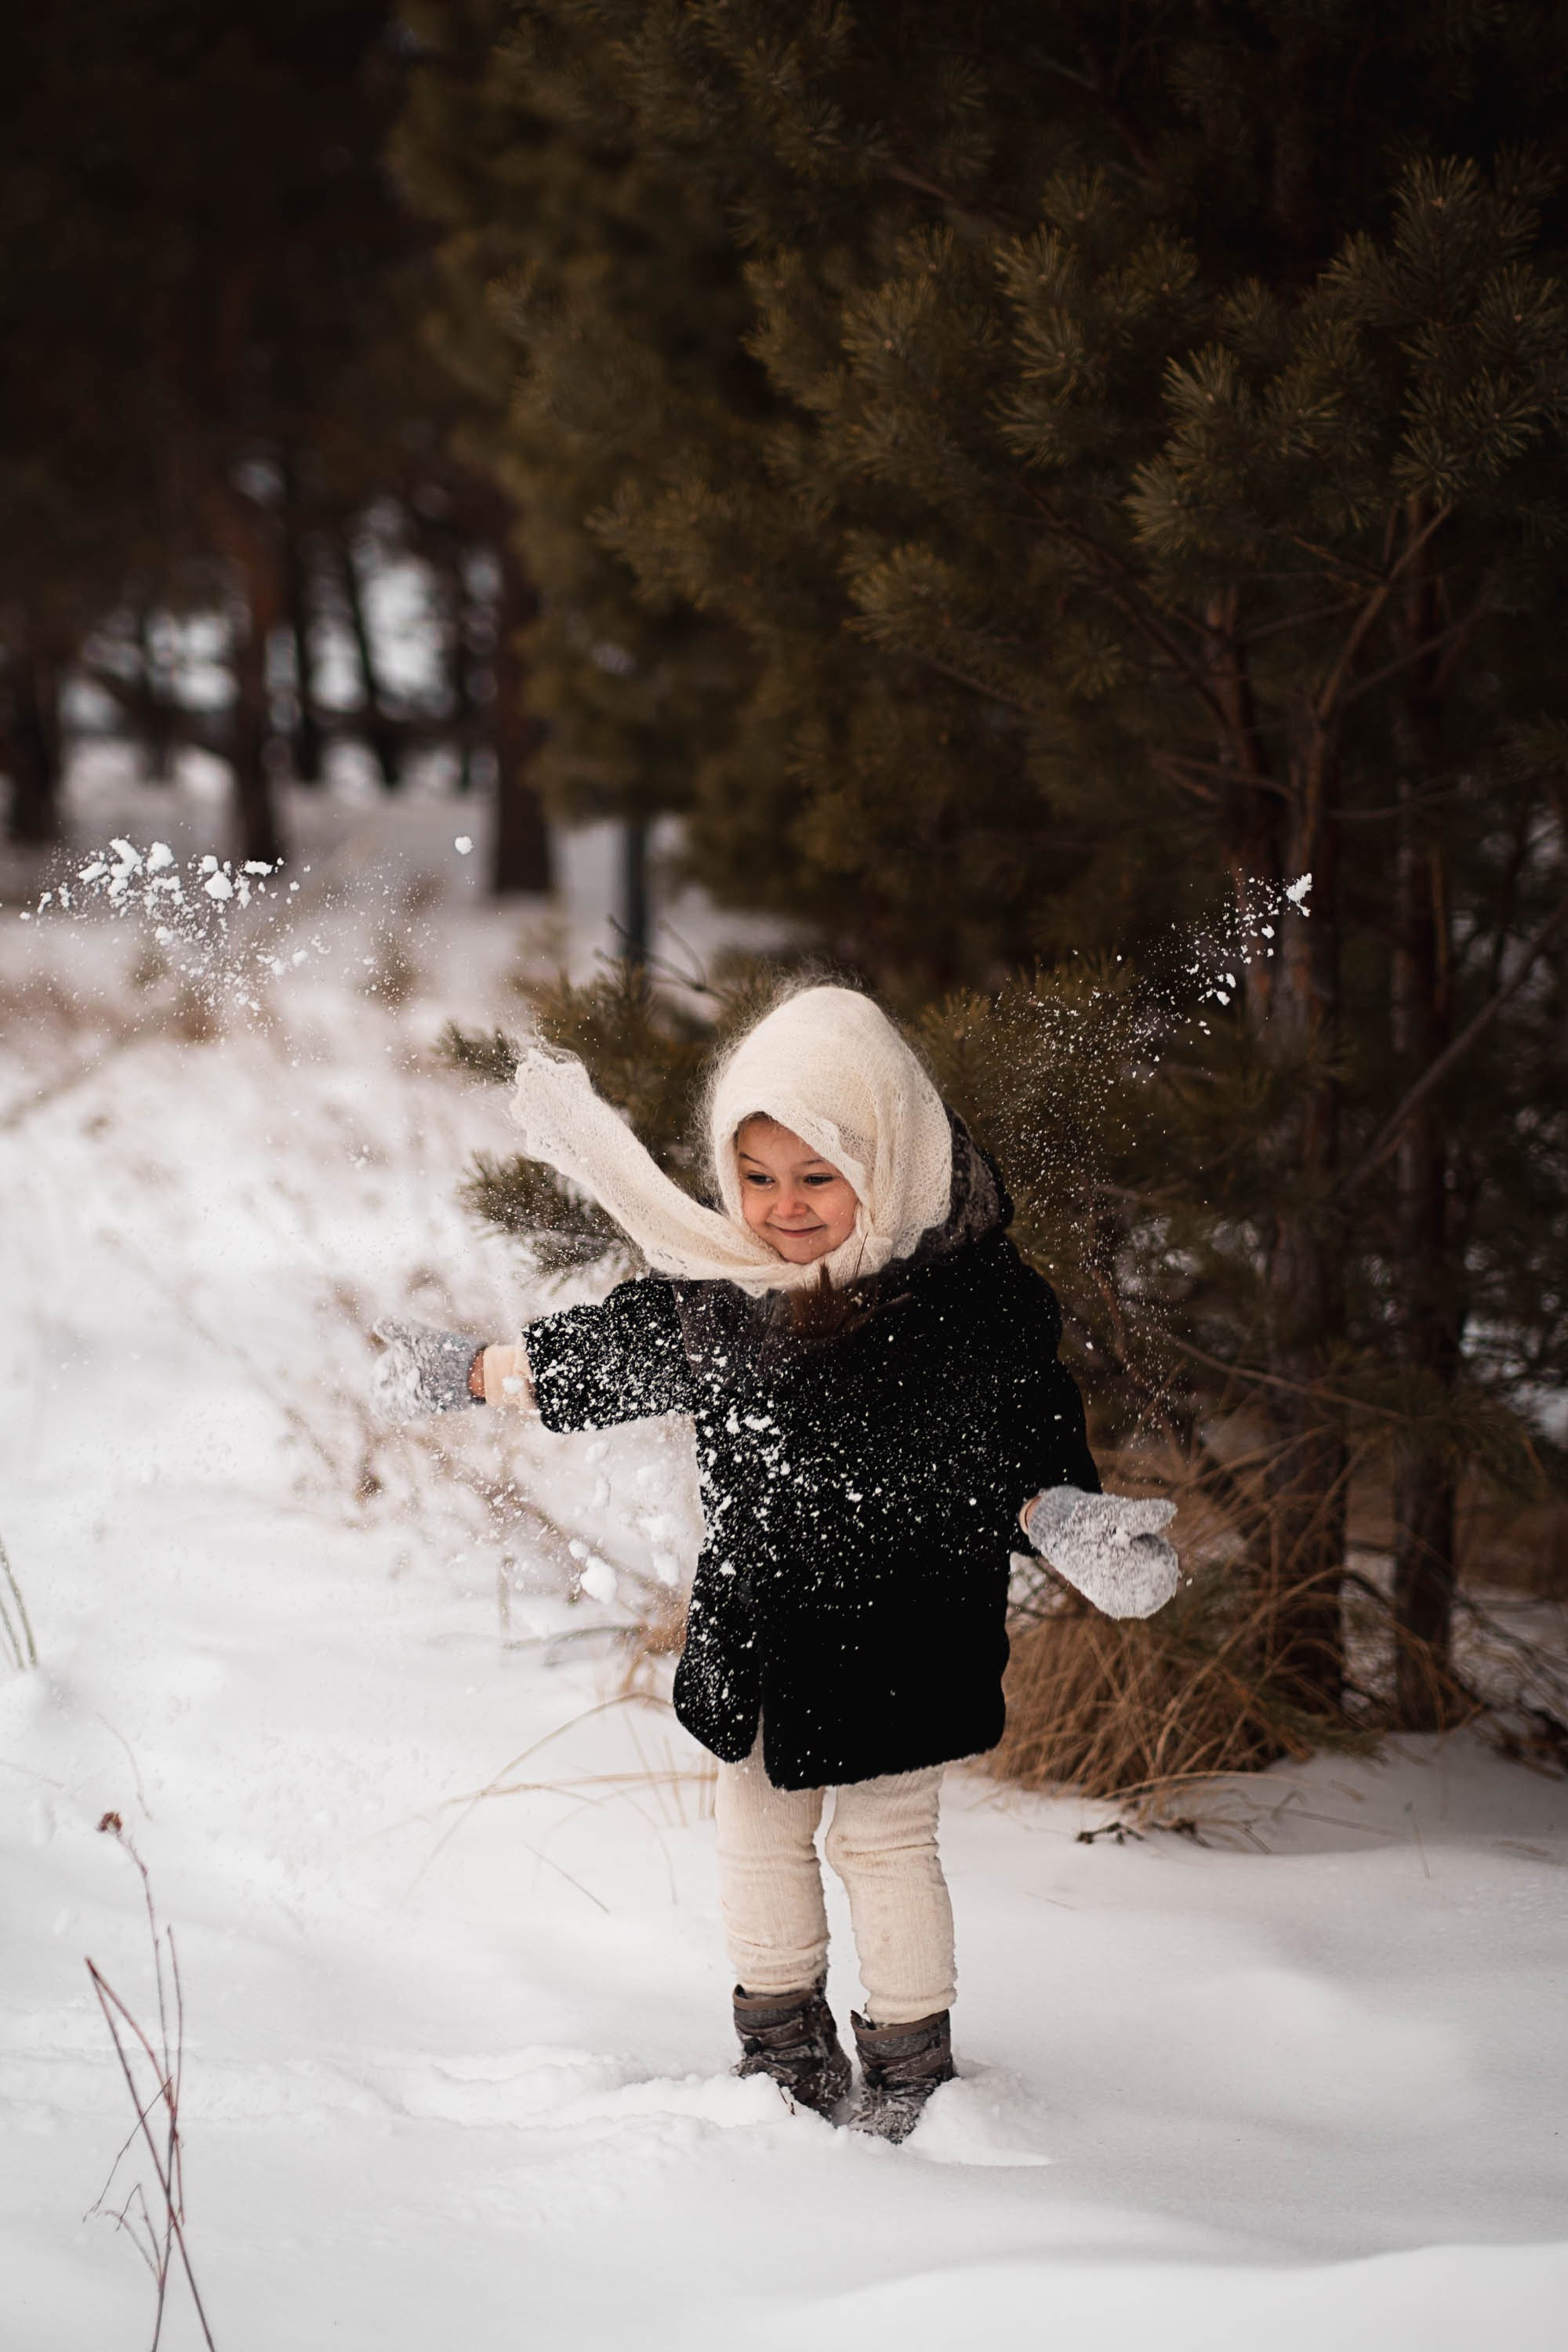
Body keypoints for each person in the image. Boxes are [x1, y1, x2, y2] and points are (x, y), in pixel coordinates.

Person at [373, 984, 1178, 2142]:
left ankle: (909, 2069)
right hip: (758, 1624)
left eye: (818, 1176)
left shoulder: (964, 1298)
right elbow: (608, 1356)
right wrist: (472, 1372)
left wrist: (1068, 1518)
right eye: (758, 1179)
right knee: (754, 1830)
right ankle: (782, 2049)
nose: (784, 1209)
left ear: (888, 1157)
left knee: (885, 1839)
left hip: (912, 1622)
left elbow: (1027, 1429)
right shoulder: (721, 1292)